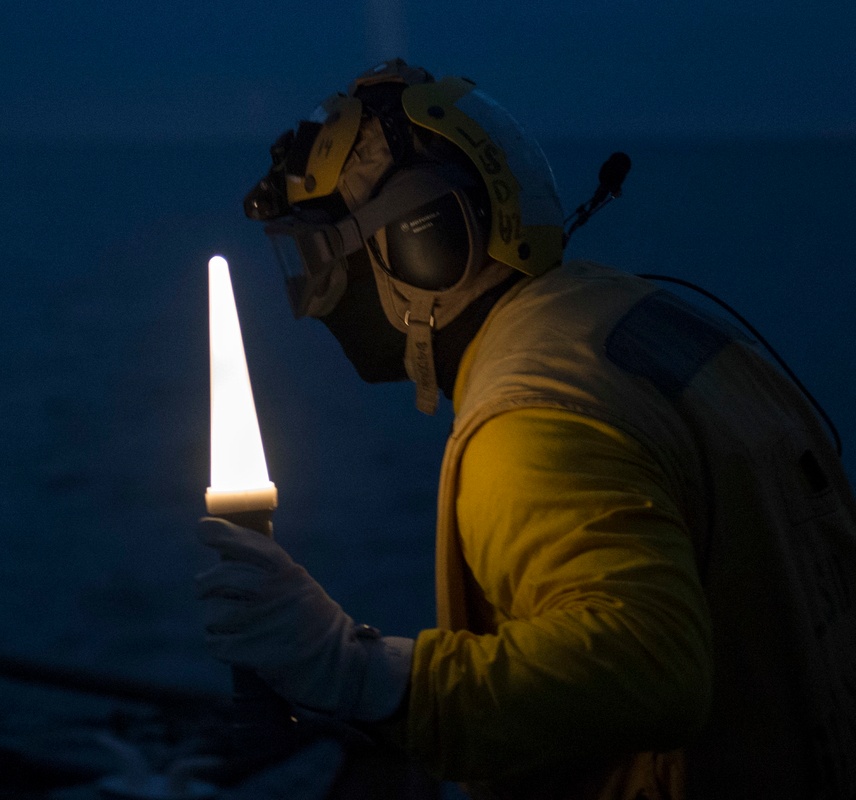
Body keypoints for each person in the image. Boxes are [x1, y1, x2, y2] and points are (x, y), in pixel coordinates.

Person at [194, 58, 856, 799]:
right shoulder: (643, 324)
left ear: (426, 246)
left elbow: (652, 670)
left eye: (320, 261)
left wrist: (354, 672)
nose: (316, 303)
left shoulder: (532, 421)